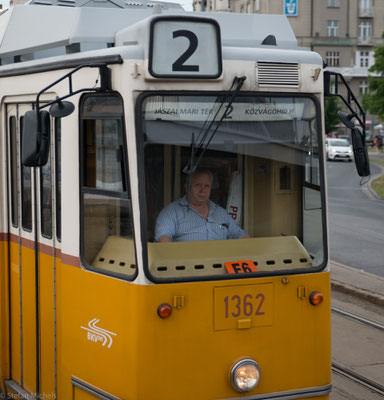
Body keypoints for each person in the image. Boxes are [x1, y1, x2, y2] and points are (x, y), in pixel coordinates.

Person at [155, 169, 249, 242]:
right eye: (198, 185)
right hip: (188, 265)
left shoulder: (221, 213)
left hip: (221, 264)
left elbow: (238, 233)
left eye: (206, 186)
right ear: (187, 187)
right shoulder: (172, 212)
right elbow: (163, 238)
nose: (202, 190)